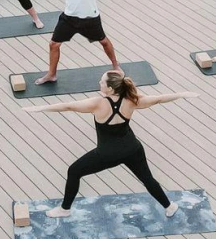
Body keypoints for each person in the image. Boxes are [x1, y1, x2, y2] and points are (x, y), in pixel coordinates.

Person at [23, 70, 198, 219]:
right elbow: (159, 99)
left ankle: (64, 209)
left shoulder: (97, 103)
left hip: (108, 154)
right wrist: (183, 94)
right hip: (132, 149)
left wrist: (39, 109)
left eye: (102, 81)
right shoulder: (132, 99)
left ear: (110, 88)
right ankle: (169, 206)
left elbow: (68, 106)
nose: (99, 82)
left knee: (74, 171)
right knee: (147, 179)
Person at [1, 0, 145, 84]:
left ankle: (115, 65)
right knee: (54, 44)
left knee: (103, 41)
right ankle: (51, 75)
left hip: (90, 17)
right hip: (69, 17)